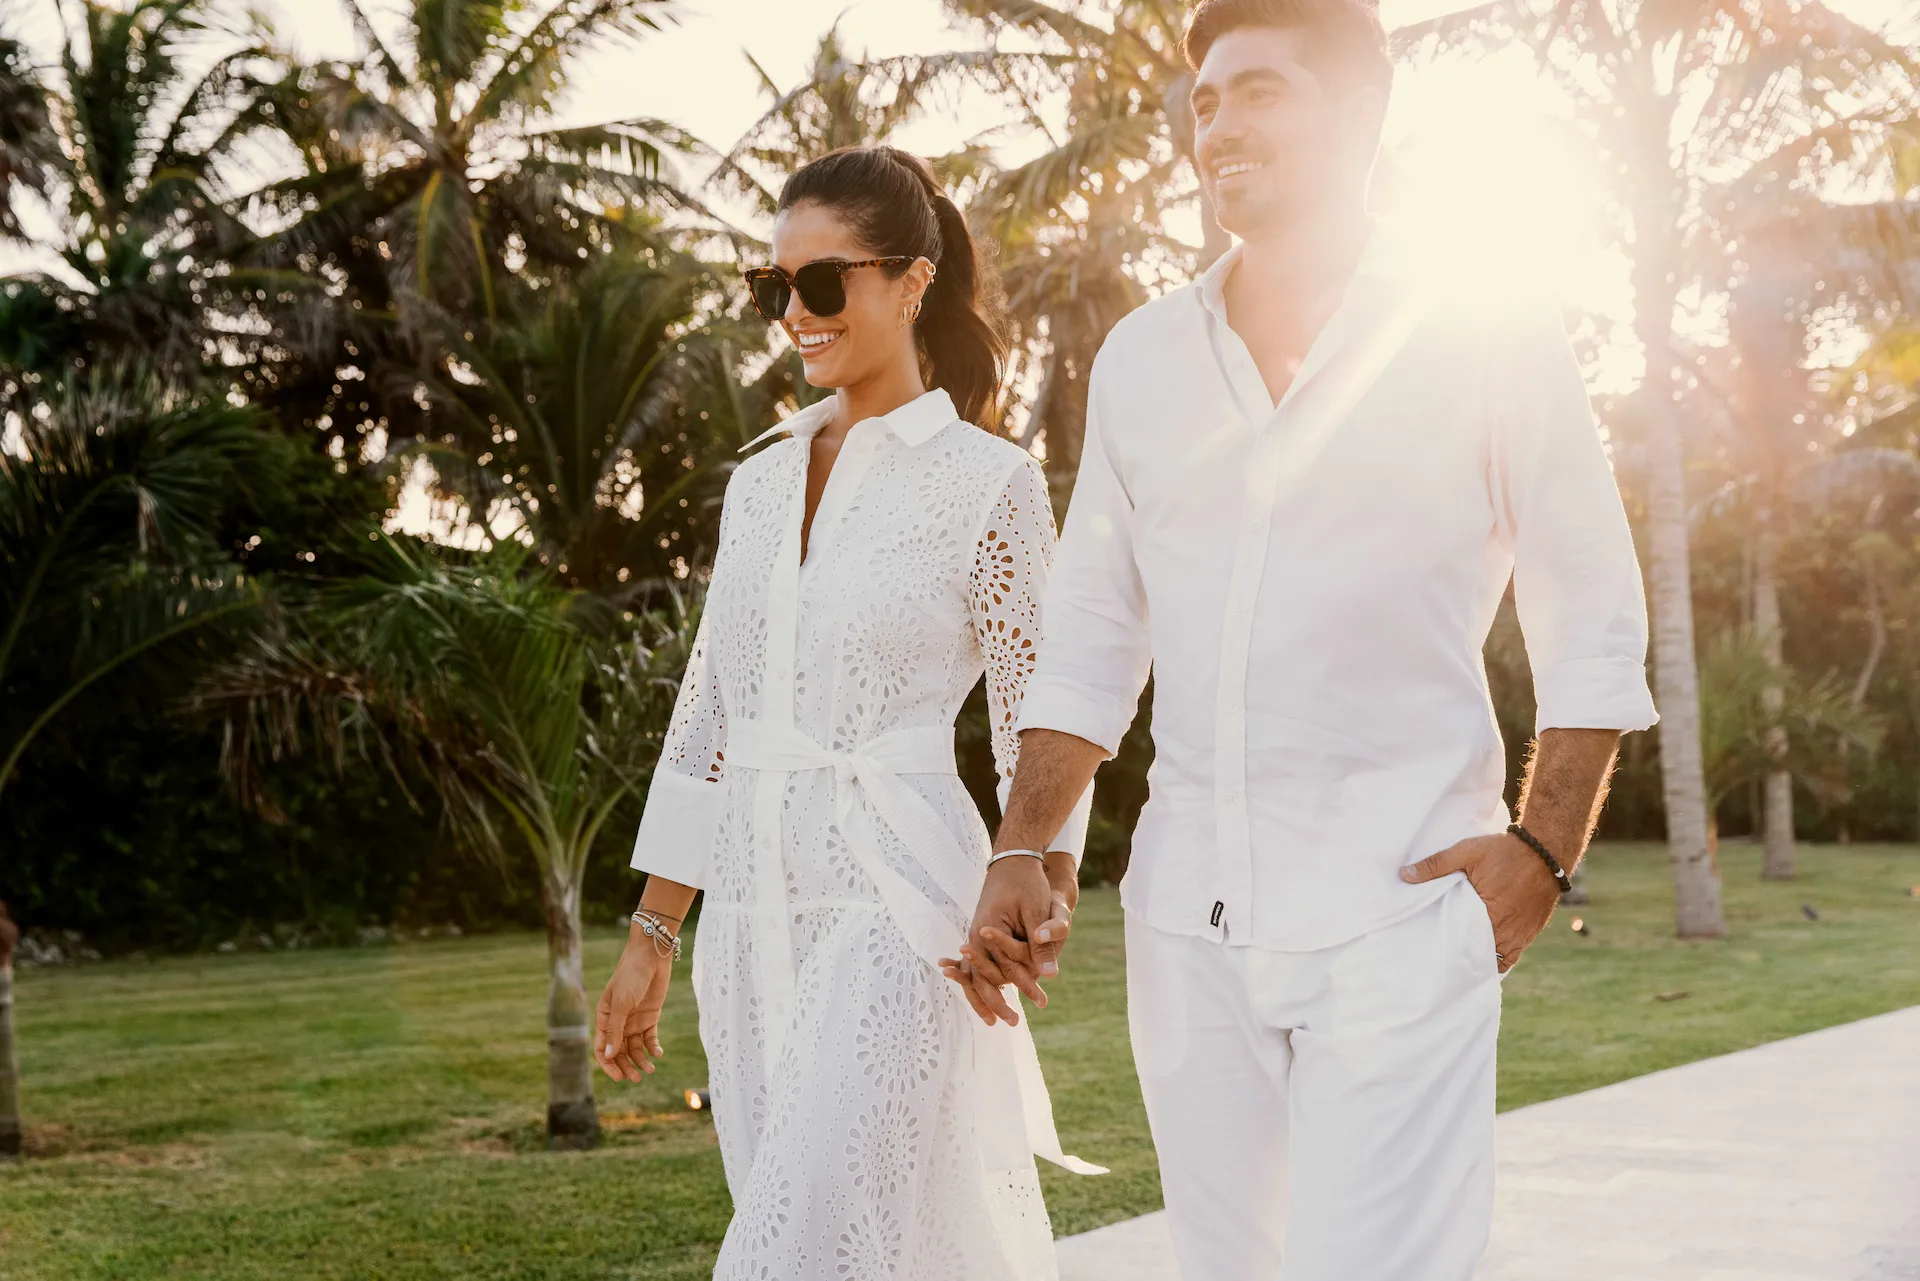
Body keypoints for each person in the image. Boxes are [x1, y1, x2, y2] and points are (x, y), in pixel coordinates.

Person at [945, 1, 1658, 1278]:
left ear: (1362, 114)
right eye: (1206, 102)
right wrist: (1025, 841)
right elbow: (1098, 627)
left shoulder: (1482, 326)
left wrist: (1544, 849)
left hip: (1402, 912)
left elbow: (1590, 598)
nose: (1218, 125)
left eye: (1260, 92)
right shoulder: (1144, 358)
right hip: (1185, 924)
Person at [594, 145, 1099, 1281]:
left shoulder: (991, 481)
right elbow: (712, 705)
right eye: (773, 288)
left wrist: (1040, 878)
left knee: (794, 1249)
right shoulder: (758, 480)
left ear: (911, 280)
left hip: (902, 905)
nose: (794, 315)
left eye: (823, 285)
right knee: (884, 1243)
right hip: (752, 923)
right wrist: (653, 932)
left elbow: (1042, 708)